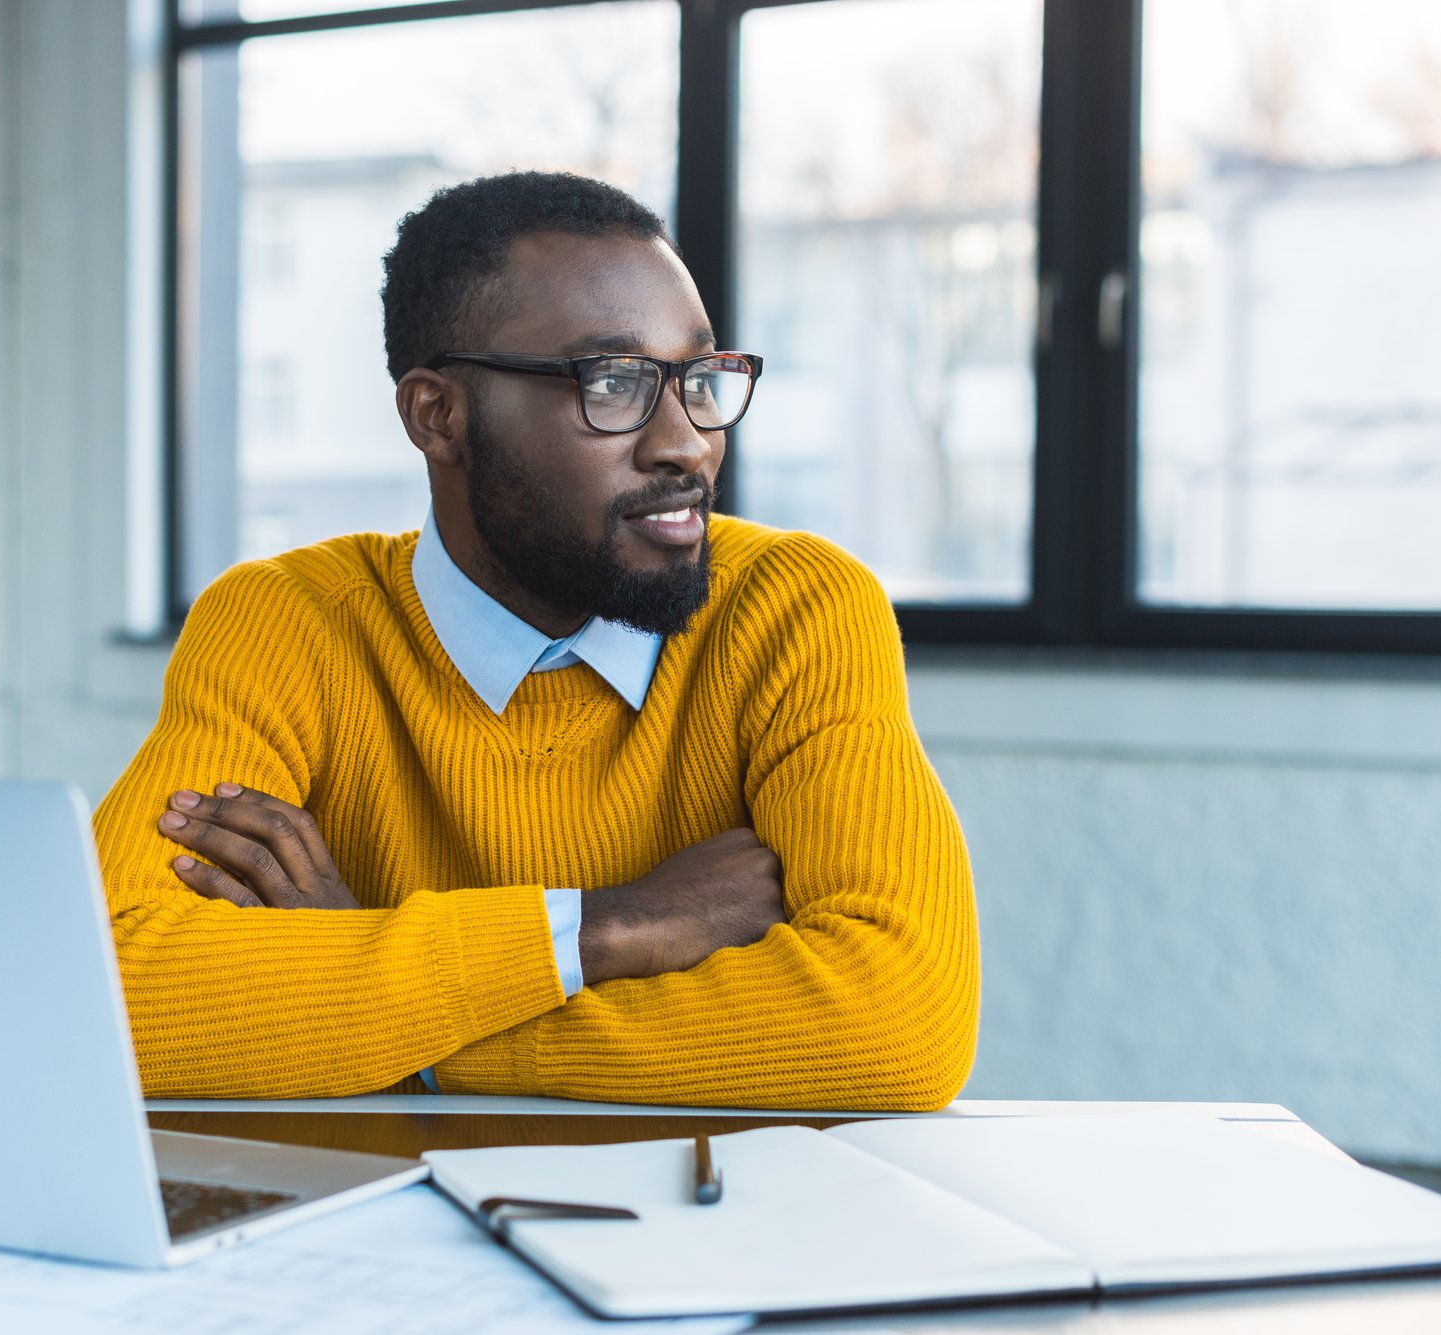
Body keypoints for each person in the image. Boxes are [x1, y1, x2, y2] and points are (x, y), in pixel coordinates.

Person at [92, 171, 978, 1108]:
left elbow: (897, 1020)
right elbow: (100, 984)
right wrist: (607, 928)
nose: (687, 443)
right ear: (439, 415)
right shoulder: (287, 621)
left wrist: (396, 1028)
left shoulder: (797, 609)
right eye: (616, 382)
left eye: (701, 379)